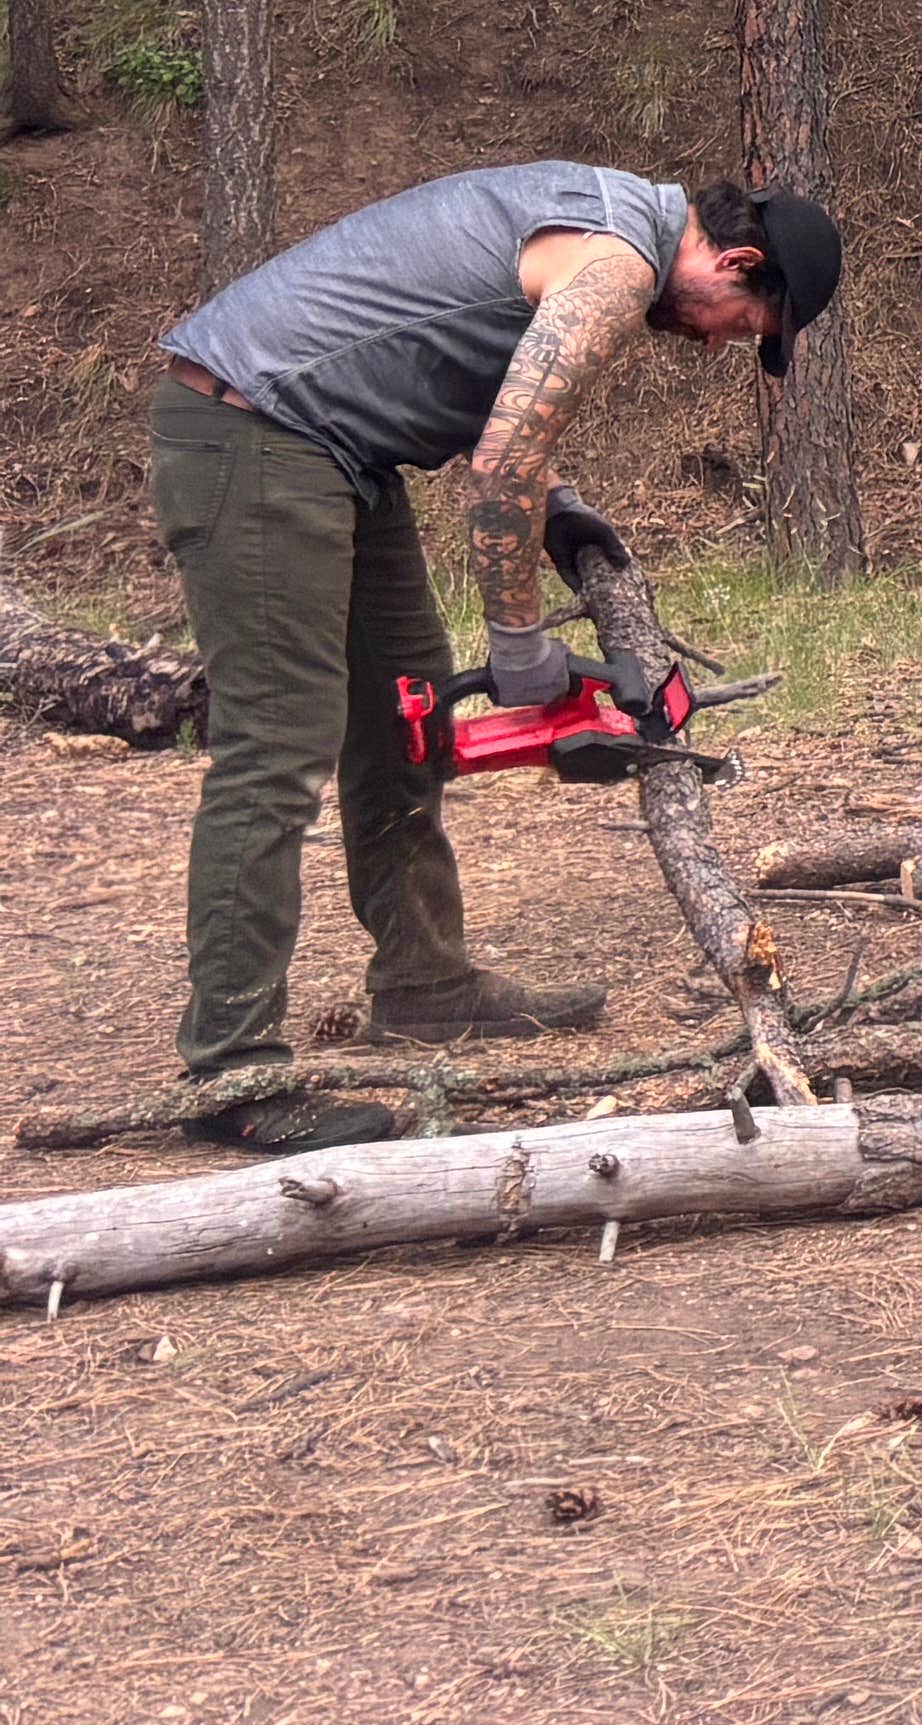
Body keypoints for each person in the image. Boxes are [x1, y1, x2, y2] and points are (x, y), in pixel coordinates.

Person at [150, 164, 842, 1148]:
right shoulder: (616, 263)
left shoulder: (608, 226)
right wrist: (519, 646)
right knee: (279, 742)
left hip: (338, 447)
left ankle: (423, 979)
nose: (724, 342)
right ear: (736, 261)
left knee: (407, 708)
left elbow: (493, 391)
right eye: (744, 322)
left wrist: (559, 511)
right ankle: (230, 1070)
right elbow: (502, 465)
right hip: (254, 433)